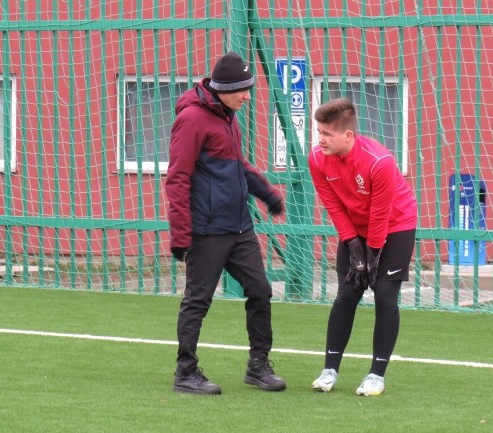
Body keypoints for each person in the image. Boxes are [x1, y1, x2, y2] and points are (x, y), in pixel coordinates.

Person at [165, 52, 287, 395]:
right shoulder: (191, 119)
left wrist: (267, 193)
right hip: (207, 230)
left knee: (261, 292)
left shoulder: (228, 116)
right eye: (243, 90)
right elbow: (177, 178)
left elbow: (236, 165)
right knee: (198, 300)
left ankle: (258, 366)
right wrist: (180, 231)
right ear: (225, 89)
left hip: (239, 227)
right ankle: (185, 372)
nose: (248, 95)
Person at [307, 98, 417, 396]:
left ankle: (376, 376)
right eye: (319, 132)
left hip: (395, 227)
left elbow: (381, 213)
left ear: (348, 135)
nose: (321, 139)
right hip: (355, 229)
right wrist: (354, 247)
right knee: (347, 294)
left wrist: (373, 254)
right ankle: (329, 370)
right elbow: (333, 204)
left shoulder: (379, 162)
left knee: (385, 296)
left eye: (327, 134)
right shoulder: (317, 159)